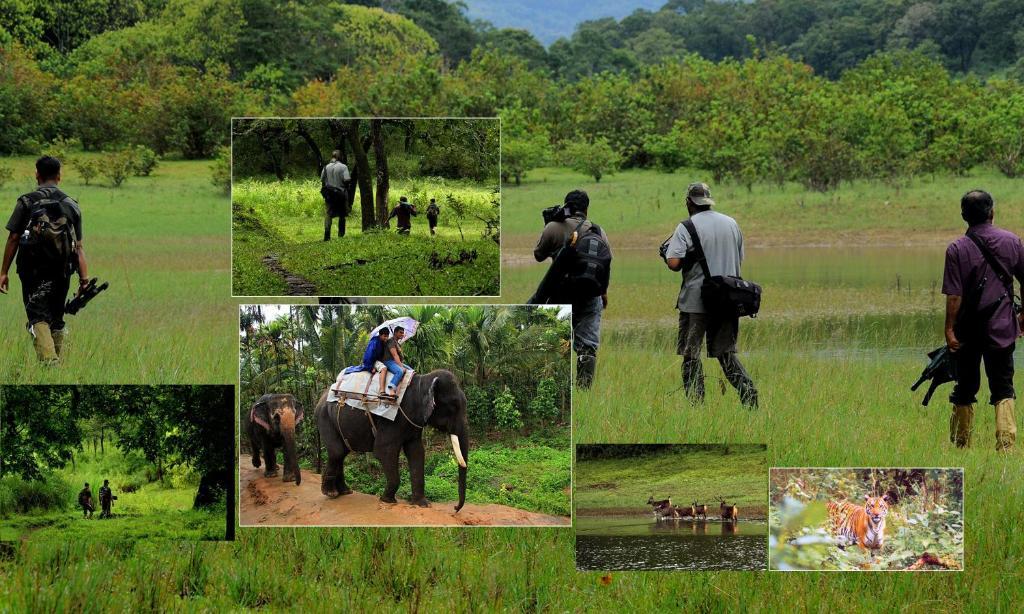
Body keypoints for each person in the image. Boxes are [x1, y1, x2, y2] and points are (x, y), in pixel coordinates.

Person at [663, 182, 758, 409]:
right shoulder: (732, 223)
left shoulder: (686, 226)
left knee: (691, 355)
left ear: (689, 202)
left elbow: (674, 262)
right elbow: (739, 257)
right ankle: (749, 394)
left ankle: (697, 405)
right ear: (708, 201)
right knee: (726, 353)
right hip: (728, 300)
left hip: (696, 301)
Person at [943, 190, 1023, 451]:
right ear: (992, 212)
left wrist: (950, 330)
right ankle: (1006, 447)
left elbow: (954, 296)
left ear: (964, 215)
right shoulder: (1013, 242)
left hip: (967, 332)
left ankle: (961, 446)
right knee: (1003, 387)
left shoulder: (956, 249)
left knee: (964, 387)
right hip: (1001, 329)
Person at [0, 156, 89, 365]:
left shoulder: (26, 201)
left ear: (37, 175)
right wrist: (84, 279)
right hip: (62, 270)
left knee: (37, 316)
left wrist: (3, 271)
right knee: (56, 318)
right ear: (59, 176)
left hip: (31, 270)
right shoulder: (71, 205)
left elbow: (13, 238)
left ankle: (50, 364)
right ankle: (57, 363)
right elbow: (79, 246)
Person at [532, 189, 610, 389]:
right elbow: (605, 262)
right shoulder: (599, 231)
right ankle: (583, 391)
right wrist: (603, 294)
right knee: (588, 347)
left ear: (566, 206)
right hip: (590, 295)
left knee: (554, 342)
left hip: (560, 292)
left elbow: (539, 255)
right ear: (587, 208)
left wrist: (548, 228)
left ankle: (555, 389)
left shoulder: (554, 227)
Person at [320, 151, 351, 241]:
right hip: (341, 193)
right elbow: (347, 179)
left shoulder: (326, 167)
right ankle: (340, 235)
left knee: (328, 214)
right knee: (342, 214)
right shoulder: (343, 167)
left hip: (329, 194)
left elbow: (322, 179)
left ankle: (327, 235)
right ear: (340, 157)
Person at [382, 326, 412, 396]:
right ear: (395, 333)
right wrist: (401, 366)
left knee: (410, 370)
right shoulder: (391, 341)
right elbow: (395, 355)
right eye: (400, 332)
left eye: (403, 333)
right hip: (388, 361)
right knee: (399, 371)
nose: (402, 334)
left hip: (394, 362)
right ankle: (391, 390)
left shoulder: (397, 343)